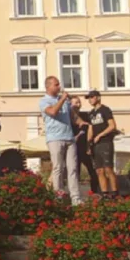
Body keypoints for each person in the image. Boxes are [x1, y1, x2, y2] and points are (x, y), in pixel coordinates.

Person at [39, 76, 81, 205]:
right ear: (48, 86)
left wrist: (82, 122)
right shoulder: (44, 101)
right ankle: (59, 196)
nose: (59, 87)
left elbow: (73, 116)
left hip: (69, 137)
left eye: (59, 84)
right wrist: (62, 99)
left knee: (73, 168)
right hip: (55, 138)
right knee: (58, 168)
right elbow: (52, 112)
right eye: (56, 85)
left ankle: (76, 198)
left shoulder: (64, 101)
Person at [86, 90, 118, 198]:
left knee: (108, 168)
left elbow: (112, 126)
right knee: (99, 170)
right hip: (95, 145)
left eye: (92, 97)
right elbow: (90, 129)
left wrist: (100, 135)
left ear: (98, 97)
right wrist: (88, 144)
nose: (90, 100)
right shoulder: (91, 113)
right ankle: (104, 193)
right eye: (89, 98)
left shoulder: (105, 110)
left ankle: (114, 193)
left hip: (106, 142)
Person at [70, 97, 99, 196]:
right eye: (75, 103)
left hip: (85, 147)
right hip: (74, 148)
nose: (77, 104)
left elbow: (91, 127)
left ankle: (95, 191)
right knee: (75, 171)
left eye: (79, 102)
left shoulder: (85, 115)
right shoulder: (68, 118)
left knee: (92, 170)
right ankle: (75, 193)